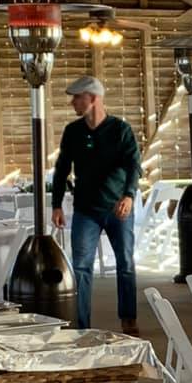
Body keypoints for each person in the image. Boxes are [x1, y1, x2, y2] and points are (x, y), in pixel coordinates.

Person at [52, 76, 140, 334]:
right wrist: (56, 204)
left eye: (77, 97)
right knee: (80, 266)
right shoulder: (73, 132)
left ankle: (128, 318)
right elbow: (61, 170)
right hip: (85, 210)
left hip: (118, 208)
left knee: (125, 263)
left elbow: (134, 166)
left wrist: (129, 196)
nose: (72, 103)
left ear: (92, 98)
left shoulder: (120, 130)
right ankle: (81, 325)